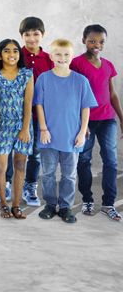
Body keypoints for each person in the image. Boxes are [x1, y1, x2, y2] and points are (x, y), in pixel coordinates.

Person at [34, 39, 97, 224]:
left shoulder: (80, 81)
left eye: (66, 54)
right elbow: (39, 105)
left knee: (69, 174)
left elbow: (86, 107)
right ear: (51, 56)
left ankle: (65, 206)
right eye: (58, 54)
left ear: (72, 56)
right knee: (48, 173)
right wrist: (43, 129)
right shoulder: (44, 78)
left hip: (71, 136)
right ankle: (50, 204)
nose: (62, 58)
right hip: (49, 137)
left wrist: (82, 131)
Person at [70, 25, 121, 221]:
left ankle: (109, 203)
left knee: (111, 161)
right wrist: (81, 125)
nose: (97, 45)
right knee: (84, 160)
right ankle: (87, 200)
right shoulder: (76, 63)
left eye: (101, 42)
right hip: (87, 121)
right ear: (83, 41)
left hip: (108, 119)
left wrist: (121, 119)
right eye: (92, 41)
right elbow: (73, 96)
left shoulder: (108, 65)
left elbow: (113, 94)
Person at [0, 40, 33, 219]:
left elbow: (29, 102)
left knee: (20, 164)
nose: (11, 54)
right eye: (7, 51)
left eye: (15, 51)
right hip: (2, 127)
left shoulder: (27, 75)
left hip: (22, 126)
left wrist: (25, 128)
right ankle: (3, 204)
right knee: (1, 166)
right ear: (0, 55)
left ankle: (16, 204)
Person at [18, 16, 53, 207]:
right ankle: (8, 183)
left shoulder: (49, 59)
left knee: (35, 153)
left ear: (43, 35)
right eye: (27, 34)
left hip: (40, 115)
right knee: (14, 150)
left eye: (36, 34)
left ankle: (30, 185)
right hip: (18, 114)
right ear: (21, 36)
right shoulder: (16, 56)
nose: (32, 38)